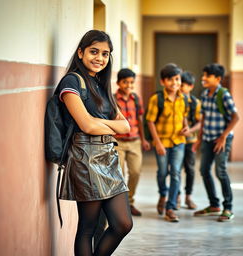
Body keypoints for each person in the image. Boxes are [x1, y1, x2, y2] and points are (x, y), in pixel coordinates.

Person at [58, 30, 133, 256]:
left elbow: (126, 127)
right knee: (88, 229)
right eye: (94, 52)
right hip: (86, 159)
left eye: (105, 53)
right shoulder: (72, 81)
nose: (99, 58)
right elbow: (87, 126)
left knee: (123, 224)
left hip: (108, 157)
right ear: (80, 52)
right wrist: (109, 125)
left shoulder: (101, 84)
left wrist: (98, 123)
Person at [193, 63, 239, 222]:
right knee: (204, 170)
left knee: (221, 171)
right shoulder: (205, 94)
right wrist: (199, 138)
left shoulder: (224, 94)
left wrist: (223, 137)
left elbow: (235, 117)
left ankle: (228, 207)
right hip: (207, 139)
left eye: (207, 76)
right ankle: (214, 205)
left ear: (218, 79)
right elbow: (204, 117)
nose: (203, 78)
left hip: (222, 140)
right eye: (203, 75)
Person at [146, 63, 189, 222]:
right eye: (170, 80)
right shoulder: (156, 99)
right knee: (163, 172)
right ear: (163, 82)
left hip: (179, 142)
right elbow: (150, 121)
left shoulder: (183, 98)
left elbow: (184, 116)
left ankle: (170, 207)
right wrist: (157, 143)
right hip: (162, 142)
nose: (174, 83)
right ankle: (163, 194)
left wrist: (186, 127)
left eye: (177, 79)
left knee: (176, 173)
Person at [114, 68, 150, 216]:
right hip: (118, 142)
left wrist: (143, 139)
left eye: (131, 82)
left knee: (135, 172)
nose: (128, 85)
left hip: (134, 141)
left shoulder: (136, 99)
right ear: (118, 83)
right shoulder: (113, 99)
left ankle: (129, 202)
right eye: (125, 82)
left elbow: (140, 120)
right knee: (119, 173)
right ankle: (119, 205)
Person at [177, 71, 201, 210]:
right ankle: (177, 196)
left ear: (190, 86)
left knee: (190, 169)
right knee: (176, 170)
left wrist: (190, 131)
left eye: (183, 85)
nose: (180, 88)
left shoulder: (195, 103)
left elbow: (200, 122)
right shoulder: (175, 100)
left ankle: (188, 196)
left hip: (190, 140)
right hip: (177, 141)